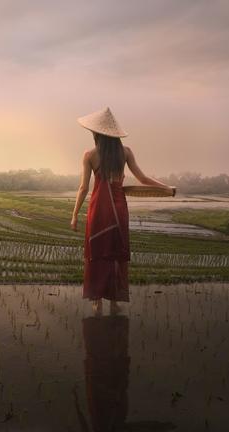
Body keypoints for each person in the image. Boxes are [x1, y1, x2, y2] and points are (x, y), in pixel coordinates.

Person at [70, 107, 173, 314]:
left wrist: (74, 216)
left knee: (97, 251)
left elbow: (83, 188)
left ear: (96, 133)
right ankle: (114, 301)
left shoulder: (89, 155)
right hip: (118, 207)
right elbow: (143, 179)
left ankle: (96, 300)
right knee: (116, 251)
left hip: (98, 208)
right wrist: (166, 188)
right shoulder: (125, 152)